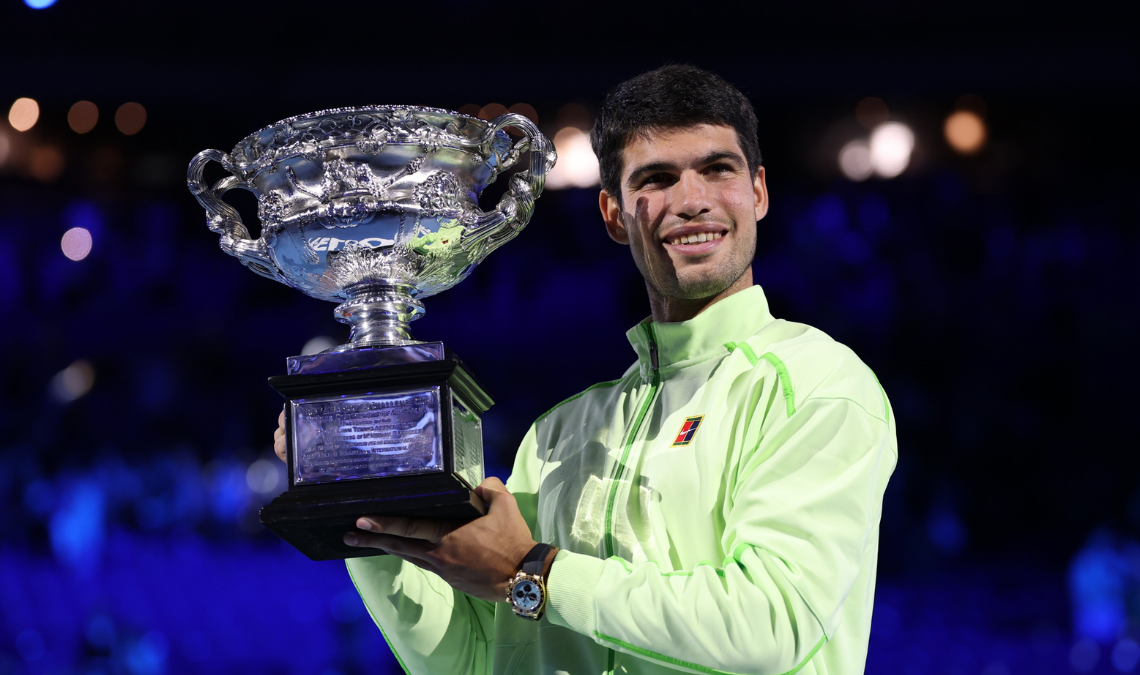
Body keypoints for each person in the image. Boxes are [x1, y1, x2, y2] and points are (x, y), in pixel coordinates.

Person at [273, 64, 897, 675]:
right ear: (614, 215)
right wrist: (369, 505)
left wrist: (535, 571)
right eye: (656, 178)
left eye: (717, 169)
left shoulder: (816, 385)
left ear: (757, 192)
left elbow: (772, 625)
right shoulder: (557, 434)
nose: (691, 201)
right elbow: (468, 662)